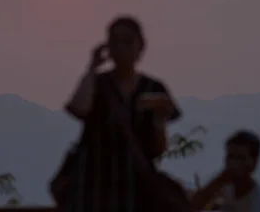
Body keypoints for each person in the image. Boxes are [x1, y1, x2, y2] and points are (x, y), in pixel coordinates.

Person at [63, 15, 181, 212]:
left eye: (128, 41)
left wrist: (159, 119)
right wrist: (92, 67)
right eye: (115, 41)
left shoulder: (153, 89)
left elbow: (158, 148)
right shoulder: (97, 85)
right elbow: (78, 108)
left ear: (141, 46)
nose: (121, 48)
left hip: (136, 191)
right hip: (95, 188)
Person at [192, 130, 260, 212]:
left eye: (241, 158)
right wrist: (217, 182)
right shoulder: (222, 189)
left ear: (254, 162)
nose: (233, 163)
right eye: (230, 156)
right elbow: (190, 206)